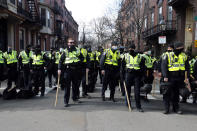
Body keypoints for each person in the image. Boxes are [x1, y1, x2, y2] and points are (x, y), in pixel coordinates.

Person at [161, 42, 190, 114]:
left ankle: (176, 108)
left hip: (179, 77)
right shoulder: (168, 55)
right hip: (170, 77)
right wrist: (165, 76)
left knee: (176, 94)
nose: (182, 49)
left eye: (182, 48)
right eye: (180, 48)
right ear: (176, 48)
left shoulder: (184, 56)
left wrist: (187, 77)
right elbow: (164, 66)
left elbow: (187, 67)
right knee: (167, 93)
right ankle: (166, 108)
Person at [58, 38, 84, 107]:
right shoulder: (65, 51)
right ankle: (66, 101)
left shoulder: (77, 50)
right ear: (68, 43)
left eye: (73, 42)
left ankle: (75, 98)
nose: (72, 44)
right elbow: (61, 60)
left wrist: (79, 62)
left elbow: (82, 58)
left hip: (75, 70)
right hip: (68, 70)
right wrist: (59, 69)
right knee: (67, 86)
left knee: (75, 86)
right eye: (70, 42)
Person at [122, 43, 145, 112]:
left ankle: (138, 106)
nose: (130, 50)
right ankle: (128, 104)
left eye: (132, 48)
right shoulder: (125, 56)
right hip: (128, 74)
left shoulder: (140, 56)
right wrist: (122, 77)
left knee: (137, 92)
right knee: (127, 91)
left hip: (137, 75)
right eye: (129, 48)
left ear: (134, 49)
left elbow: (143, 67)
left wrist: (142, 76)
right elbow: (122, 67)